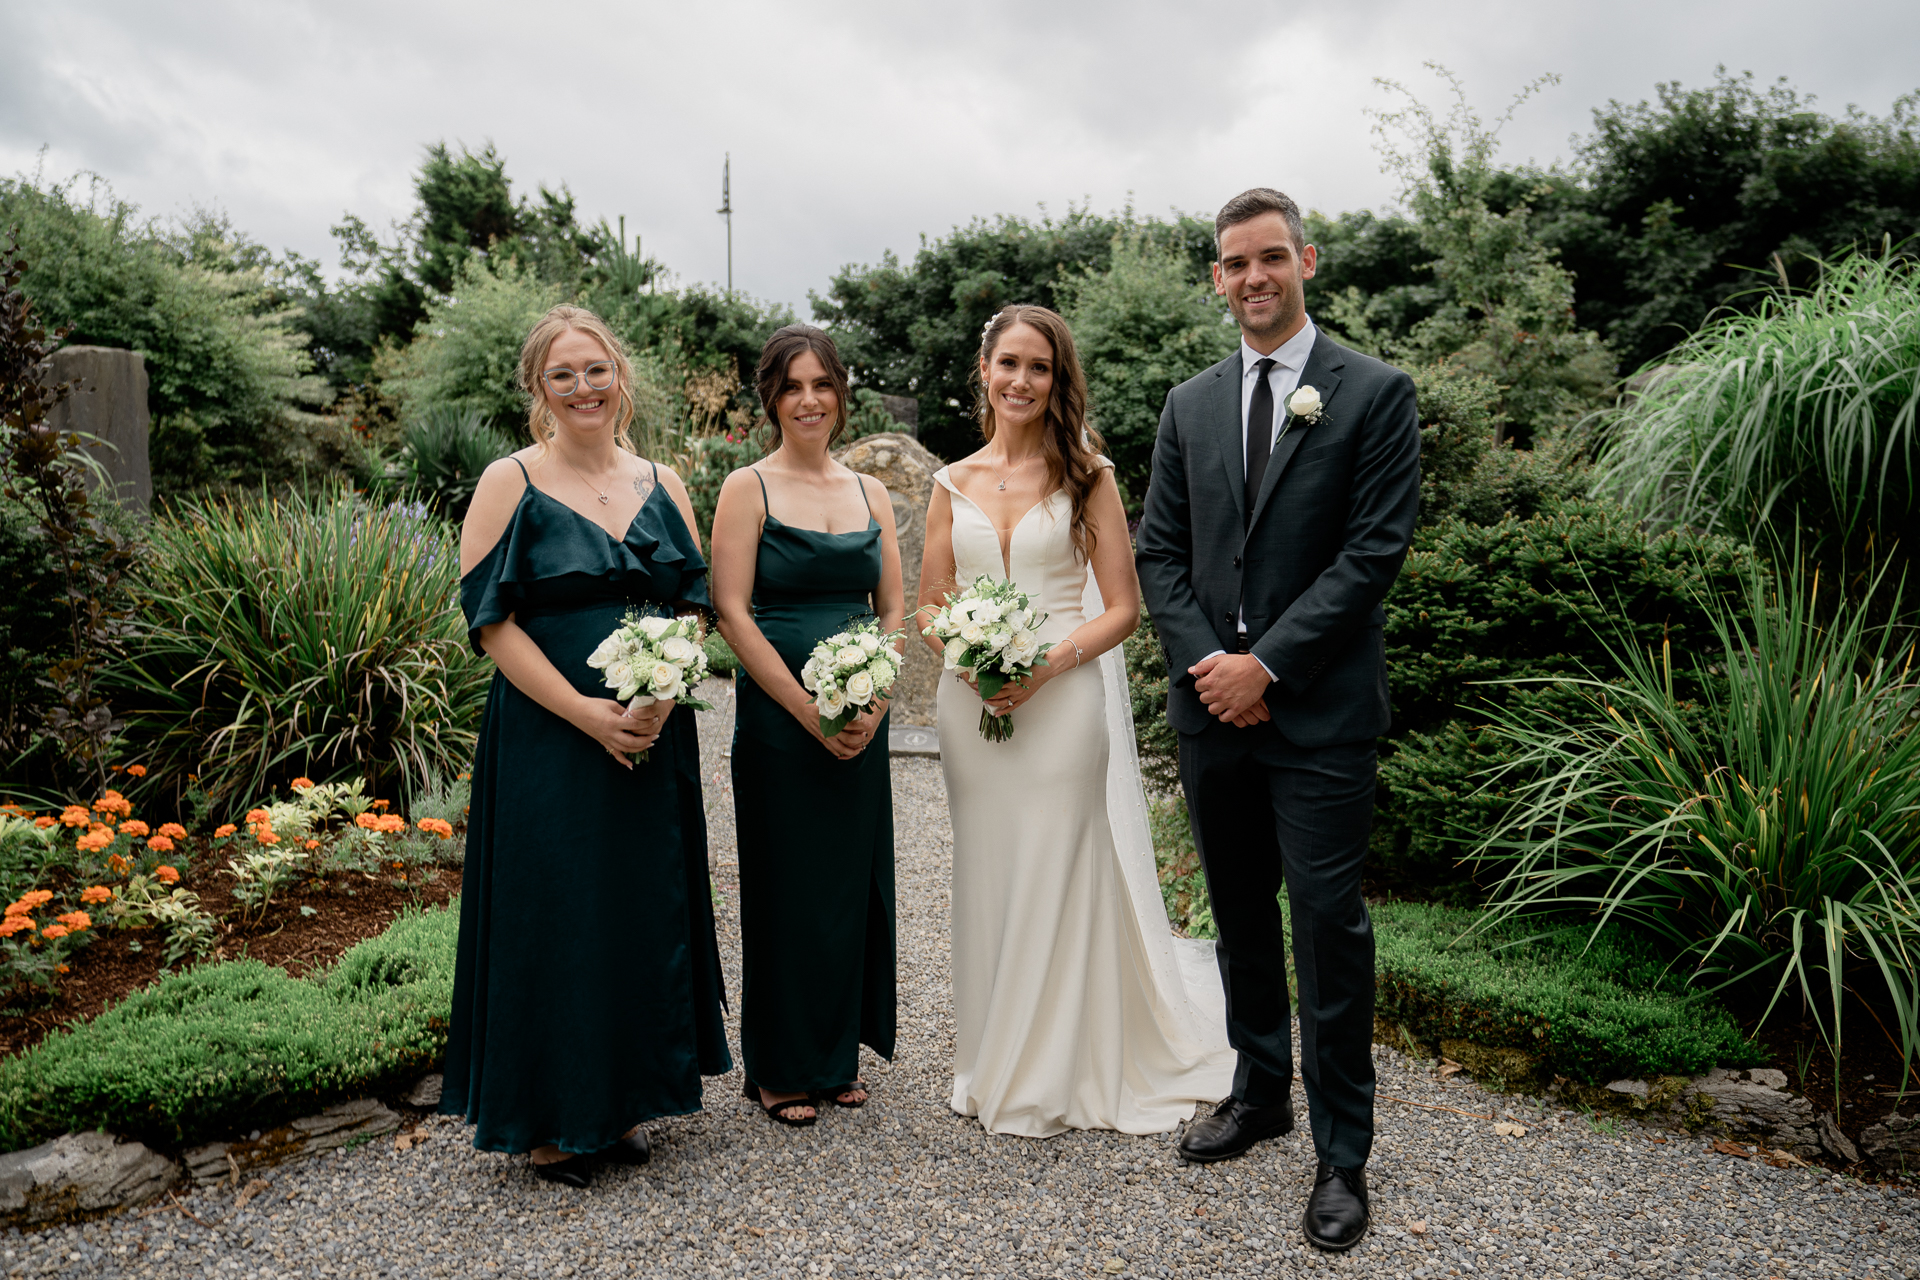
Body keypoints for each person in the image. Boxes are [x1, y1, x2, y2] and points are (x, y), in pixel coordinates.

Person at [1135, 188, 1421, 1251]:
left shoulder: (1375, 392)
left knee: (1328, 924)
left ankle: (1344, 1153)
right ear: (1216, 276)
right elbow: (1159, 551)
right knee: (1239, 911)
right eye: (1231, 262)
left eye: (1270, 258)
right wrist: (1214, 663)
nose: (1252, 277)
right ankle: (1260, 1092)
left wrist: (1270, 665)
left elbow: (1373, 553)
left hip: (1321, 713)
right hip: (1212, 705)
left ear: (1306, 260)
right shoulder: (1188, 403)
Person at [920, 304, 1234, 1138]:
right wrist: (970, 655)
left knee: (1060, 864)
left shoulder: (1089, 476)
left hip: (1062, 701)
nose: (1021, 380)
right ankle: (993, 1056)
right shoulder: (950, 482)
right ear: (983, 370)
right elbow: (927, 604)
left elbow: (1124, 608)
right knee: (992, 873)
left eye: (1040, 367)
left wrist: (1044, 664)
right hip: (972, 703)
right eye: (1009, 363)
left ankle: (1060, 1066)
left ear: (1058, 381)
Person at [445, 304, 732, 1188]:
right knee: (556, 908)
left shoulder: (665, 480)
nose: (584, 388)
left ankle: (623, 1099)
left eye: (596, 370)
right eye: (563, 374)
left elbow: (692, 601)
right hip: (550, 734)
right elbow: (491, 623)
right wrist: (585, 710)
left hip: (653, 729)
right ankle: (549, 1120)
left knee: (639, 904)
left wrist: (658, 693)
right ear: (539, 389)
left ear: (621, 378)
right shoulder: (510, 480)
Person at [710, 324, 904, 1127]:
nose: (809, 400)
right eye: (792, 386)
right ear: (771, 399)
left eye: (821, 384)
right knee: (786, 884)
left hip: (862, 717)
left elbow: (892, 606)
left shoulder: (871, 493)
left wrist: (875, 698)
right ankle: (782, 1067)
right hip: (782, 719)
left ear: (841, 394)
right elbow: (729, 608)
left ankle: (836, 1054)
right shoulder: (745, 488)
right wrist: (806, 706)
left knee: (848, 885)